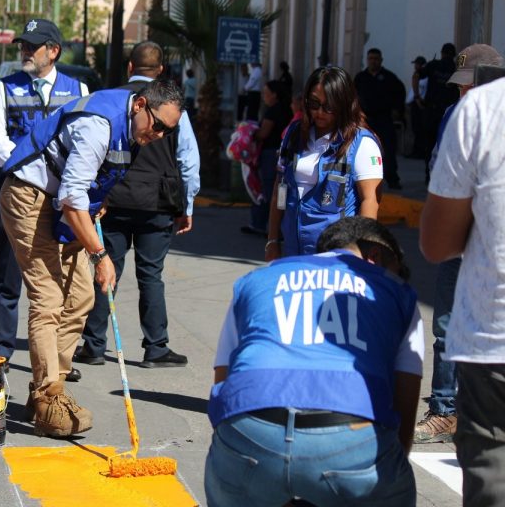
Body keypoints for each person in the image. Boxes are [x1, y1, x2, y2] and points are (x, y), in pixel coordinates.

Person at [0, 80, 184, 437]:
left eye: (168, 131)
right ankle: (48, 397)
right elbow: (71, 195)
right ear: (140, 105)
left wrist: (101, 202)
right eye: (158, 125)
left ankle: (51, 389)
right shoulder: (99, 124)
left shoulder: (135, 129)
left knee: (81, 296)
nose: (160, 134)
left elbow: (92, 180)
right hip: (30, 196)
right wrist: (100, 255)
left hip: (64, 205)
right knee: (49, 297)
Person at [206, 216, 422, 506]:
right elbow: (405, 404)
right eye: (398, 270)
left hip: (250, 427)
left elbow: (224, 378)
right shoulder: (397, 292)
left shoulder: (256, 279)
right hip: (350, 436)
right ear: (375, 257)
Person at [76, 41, 199, 368]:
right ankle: (156, 347)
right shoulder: (172, 108)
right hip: (157, 201)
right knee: (151, 274)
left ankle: (93, 343)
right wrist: (187, 205)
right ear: (160, 72)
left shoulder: (117, 102)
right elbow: (188, 158)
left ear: (130, 67)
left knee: (106, 269)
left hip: (115, 200)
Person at [0, 18, 87, 380]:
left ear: (53, 51)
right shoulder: (5, 88)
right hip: (18, 195)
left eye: (33, 45)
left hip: (61, 199)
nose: (25, 50)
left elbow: (85, 139)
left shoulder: (77, 89)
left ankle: (57, 358)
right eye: (23, 45)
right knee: (8, 276)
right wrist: (34, 171)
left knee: (61, 280)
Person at [420, 75, 505, 507]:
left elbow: (437, 243)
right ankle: (443, 408)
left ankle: (444, 408)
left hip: (493, 346)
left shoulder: (481, 109)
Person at [265, 66, 383, 261]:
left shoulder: (362, 143)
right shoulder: (294, 134)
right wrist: (273, 240)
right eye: (313, 103)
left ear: (344, 104)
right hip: (292, 252)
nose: (319, 112)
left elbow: (370, 200)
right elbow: (280, 188)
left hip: (338, 254)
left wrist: (364, 251)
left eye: (328, 107)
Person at [242, 79, 292, 236]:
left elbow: (264, 133)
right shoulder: (286, 110)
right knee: (279, 191)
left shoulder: (272, 111)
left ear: (275, 95)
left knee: (268, 190)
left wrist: (249, 133)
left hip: (271, 154)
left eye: (266, 93)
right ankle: (274, 227)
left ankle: (268, 227)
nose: (264, 96)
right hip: (284, 154)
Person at [354, 48, 406, 189]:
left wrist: (397, 110)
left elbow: (400, 93)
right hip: (365, 120)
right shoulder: (360, 78)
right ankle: (360, 179)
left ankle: (392, 179)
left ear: (381, 60)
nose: (373, 61)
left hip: (383, 119)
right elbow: (352, 97)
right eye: (370, 58)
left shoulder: (389, 78)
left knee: (388, 150)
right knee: (361, 151)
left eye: (376, 59)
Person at [421, 43, 459, 183]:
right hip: (449, 111)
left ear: (442, 53)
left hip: (432, 110)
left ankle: (429, 175)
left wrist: (418, 97)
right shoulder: (455, 68)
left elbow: (416, 75)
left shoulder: (433, 65)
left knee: (430, 145)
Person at [407, 56, 427, 159]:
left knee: (418, 129)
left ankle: (418, 151)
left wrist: (419, 101)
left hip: (419, 104)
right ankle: (416, 150)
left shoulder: (423, 76)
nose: (415, 66)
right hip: (414, 104)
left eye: (417, 64)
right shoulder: (417, 75)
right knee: (415, 128)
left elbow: (417, 91)